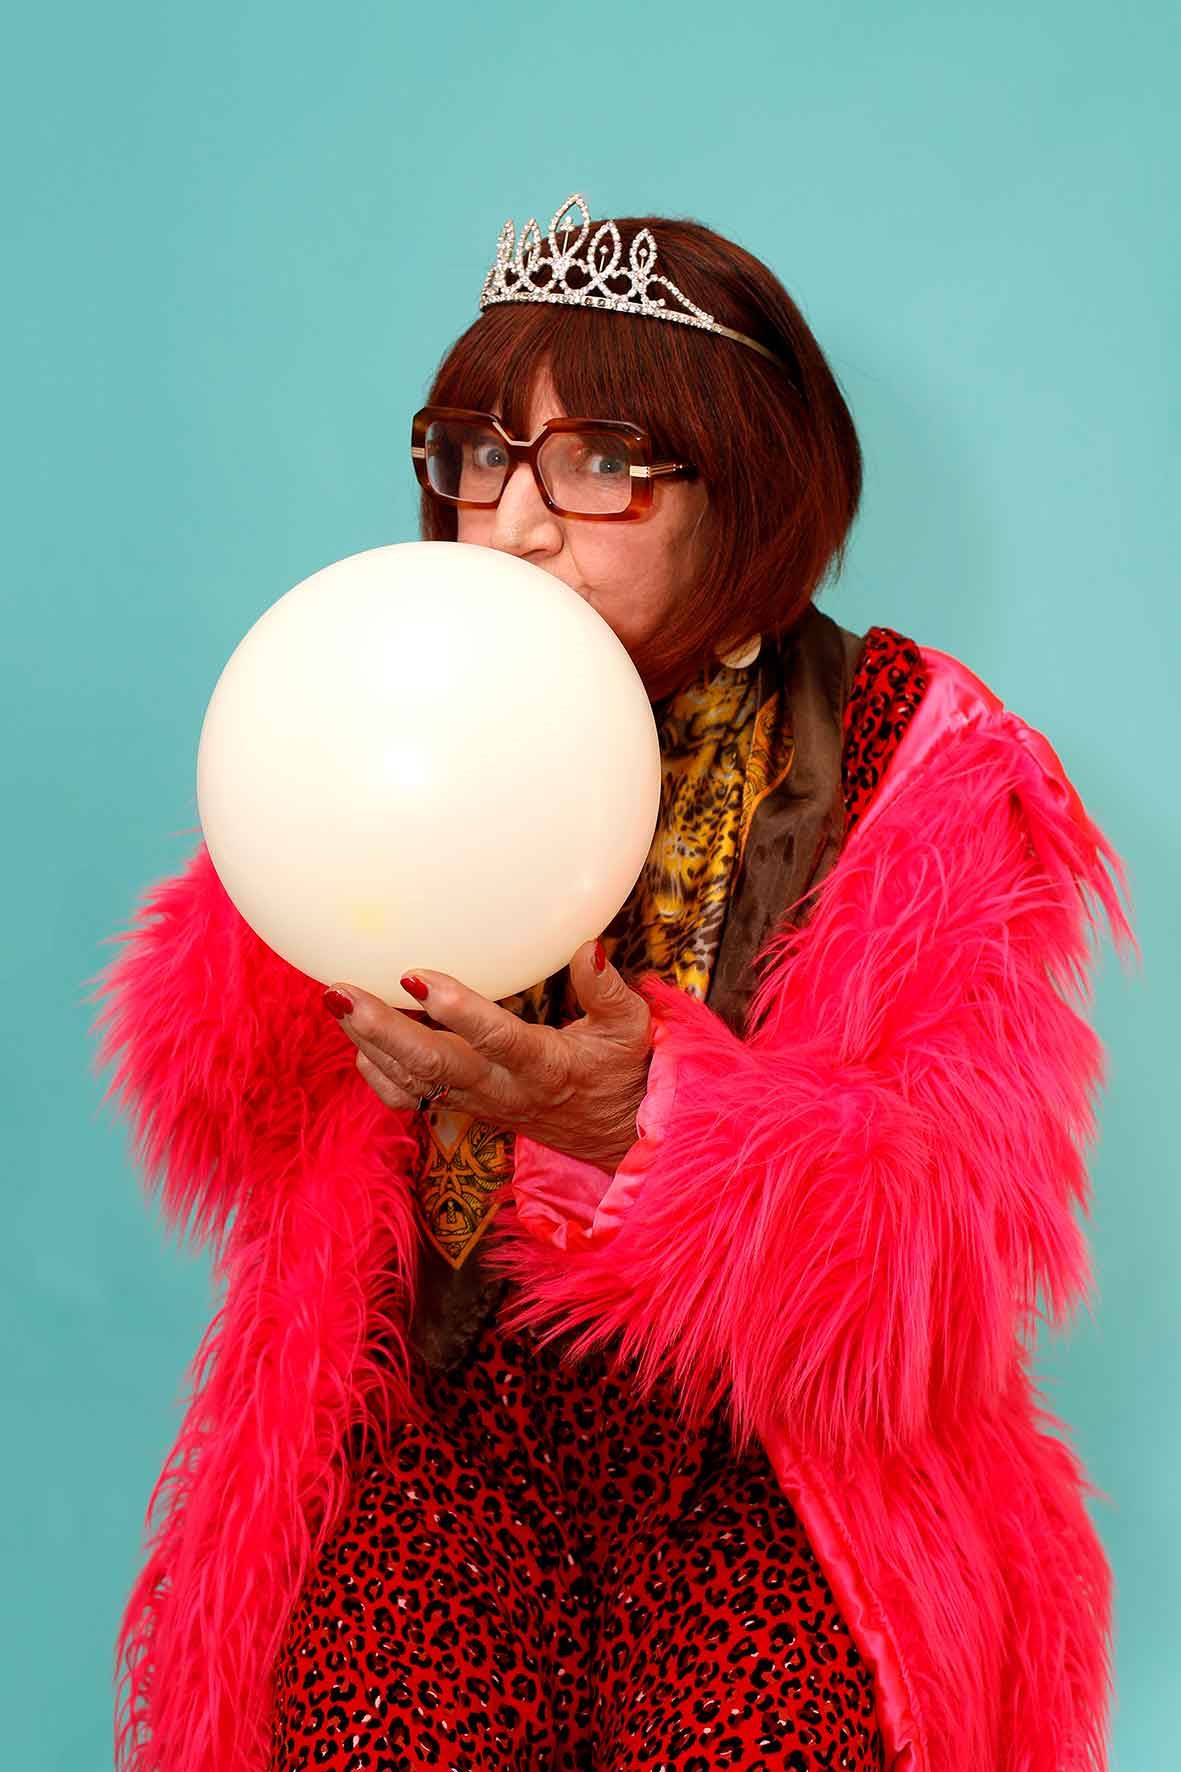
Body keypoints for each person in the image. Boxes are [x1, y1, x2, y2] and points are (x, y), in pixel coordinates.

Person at [90, 192, 1134, 1772]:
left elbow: (947, 1255)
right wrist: (303, 892)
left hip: (769, 1462)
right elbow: (219, 1113)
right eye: (479, 453)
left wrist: (641, 1116)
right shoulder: (383, 697)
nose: (508, 524)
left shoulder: (913, 748)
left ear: (746, 490)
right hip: (439, 1431)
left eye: (598, 463)